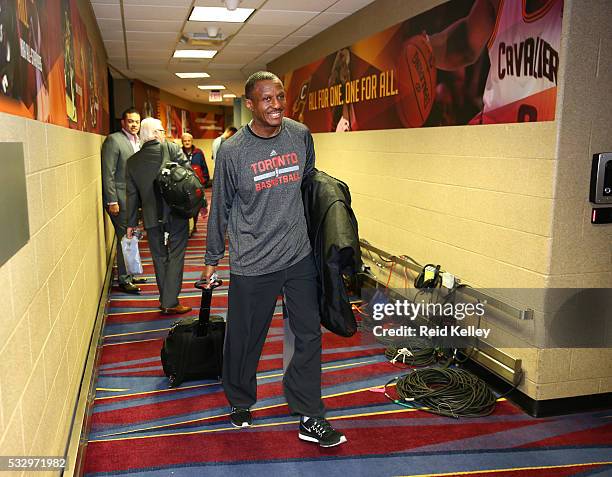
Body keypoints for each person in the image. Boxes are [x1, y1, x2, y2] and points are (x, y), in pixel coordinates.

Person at [200, 71, 347, 448]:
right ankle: (240, 398)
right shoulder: (233, 153)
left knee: (307, 333)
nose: (276, 105)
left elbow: (309, 182)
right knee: (246, 336)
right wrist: (212, 258)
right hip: (252, 260)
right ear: (250, 104)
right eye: (266, 99)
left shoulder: (299, 135)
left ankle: (309, 413)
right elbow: (221, 207)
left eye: (280, 97)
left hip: (298, 255)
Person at [427, 0, 562, 124]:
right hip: (491, 138)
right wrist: (422, 47)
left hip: (542, 145)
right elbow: (464, 45)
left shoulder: (577, 14)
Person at [125, 118, 192, 315]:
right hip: (176, 212)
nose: (163, 133)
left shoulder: (132, 162)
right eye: (161, 130)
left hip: (151, 216)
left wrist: (130, 223)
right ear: (155, 134)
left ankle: (166, 300)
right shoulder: (171, 148)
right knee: (176, 254)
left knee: (159, 257)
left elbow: (131, 195)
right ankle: (170, 302)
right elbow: (188, 177)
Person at [101, 107, 146, 294]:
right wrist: (112, 200)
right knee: (124, 238)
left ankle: (132, 272)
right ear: (123, 123)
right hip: (120, 199)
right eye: (130, 121)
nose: (134, 125)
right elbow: (108, 173)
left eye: (137, 121)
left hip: (134, 199)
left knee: (132, 236)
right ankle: (124, 279)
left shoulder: (139, 142)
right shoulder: (114, 140)